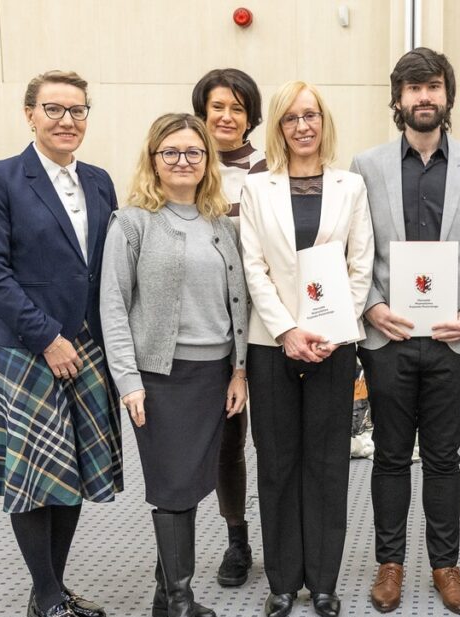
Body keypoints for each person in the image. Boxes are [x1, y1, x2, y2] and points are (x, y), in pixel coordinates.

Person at [0, 70, 122, 617]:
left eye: (78, 110)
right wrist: (48, 337)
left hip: (88, 348)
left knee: (69, 471)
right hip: (30, 350)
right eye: (53, 109)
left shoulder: (100, 182)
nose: (67, 120)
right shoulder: (1, 178)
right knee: (34, 476)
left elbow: (104, 272)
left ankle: (51, 586)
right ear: (29, 114)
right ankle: (47, 596)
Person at [351, 47, 460, 616]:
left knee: (443, 456)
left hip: (451, 338)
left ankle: (444, 564)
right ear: (397, 100)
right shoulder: (366, 166)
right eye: (413, 89)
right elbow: (353, 249)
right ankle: (390, 563)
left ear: (448, 96)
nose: (423, 98)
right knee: (390, 454)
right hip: (388, 337)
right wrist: (369, 306)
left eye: (433, 87)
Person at [100, 113, 249, 617]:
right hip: (160, 379)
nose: (183, 161)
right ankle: (181, 604)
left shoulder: (220, 224)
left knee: (192, 483)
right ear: (153, 159)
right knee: (172, 488)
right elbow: (113, 305)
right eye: (171, 152)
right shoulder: (133, 221)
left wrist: (238, 370)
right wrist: (129, 380)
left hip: (214, 377)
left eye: (194, 152)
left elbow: (240, 304)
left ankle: (167, 592)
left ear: (208, 161)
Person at [240, 81, 374, 617]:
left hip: (334, 342)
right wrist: (287, 331)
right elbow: (253, 268)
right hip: (272, 343)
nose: (302, 126)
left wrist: (336, 329)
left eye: (311, 115)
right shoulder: (256, 189)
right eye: (291, 117)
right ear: (278, 126)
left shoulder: (352, 187)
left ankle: (322, 582)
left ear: (324, 122)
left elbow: (360, 266)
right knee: (276, 463)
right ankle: (281, 581)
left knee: (325, 464)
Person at [191, 67, 267, 588]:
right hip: (213, 328)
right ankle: (237, 538)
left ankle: (287, 535)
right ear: (202, 112)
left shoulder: (268, 170)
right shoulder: (185, 166)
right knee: (226, 438)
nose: (226, 116)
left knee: (278, 437)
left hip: (267, 324)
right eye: (218, 106)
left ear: (251, 118)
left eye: (237, 108)